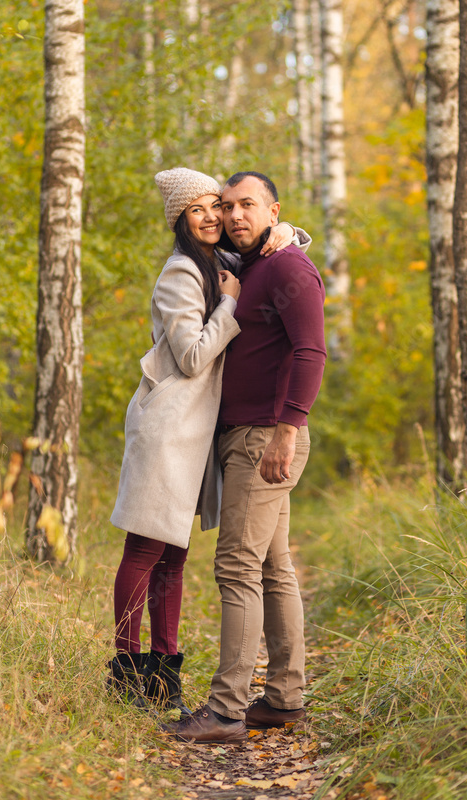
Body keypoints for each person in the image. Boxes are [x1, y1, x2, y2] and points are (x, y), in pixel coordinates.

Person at [108, 168, 310, 713]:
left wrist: (289, 230)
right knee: (146, 549)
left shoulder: (219, 262)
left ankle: (165, 673)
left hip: (197, 435)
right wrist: (228, 306)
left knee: (174, 557)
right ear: (179, 218)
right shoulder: (180, 273)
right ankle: (128, 671)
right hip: (167, 430)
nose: (214, 217)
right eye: (198, 209)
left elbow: (264, 247)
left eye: (216, 207)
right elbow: (195, 356)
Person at [163, 171, 326, 743]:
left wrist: (288, 429)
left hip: (265, 436)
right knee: (273, 569)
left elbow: (310, 351)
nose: (233, 215)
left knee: (236, 566)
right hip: (243, 433)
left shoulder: (286, 266)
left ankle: (227, 709)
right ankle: (284, 698)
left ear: (273, 210)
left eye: (247, 205)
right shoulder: (252, 263)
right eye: (226, 206)